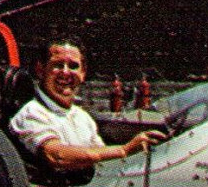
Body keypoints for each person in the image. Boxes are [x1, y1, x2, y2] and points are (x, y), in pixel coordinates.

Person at [9, 38, 164, 176]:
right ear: (40, 70)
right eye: (57, 65)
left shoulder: (82, 117)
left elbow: (102, 160)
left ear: (83, 73)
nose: (65, 72)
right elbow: (57, 156)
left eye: (73, 66)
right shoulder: (32, 113)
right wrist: (124, 150)